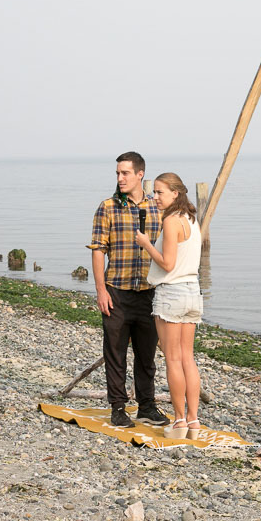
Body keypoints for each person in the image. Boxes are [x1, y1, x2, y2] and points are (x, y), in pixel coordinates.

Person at [88, 152, 169, 428]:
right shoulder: (108, 207)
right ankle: (118, 407)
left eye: (125, 173)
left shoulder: (158, 207)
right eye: (117, 174)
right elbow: (99, 250)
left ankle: (147, 406)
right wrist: (101, 290)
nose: (120, 178)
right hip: (117, 291)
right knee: (115, 352)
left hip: (149, 293)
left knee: (147, 355)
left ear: (140, 175)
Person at [134, 172, 204, 439]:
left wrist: (146, 244)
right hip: (192, 291)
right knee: (188, 357)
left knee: (173, 358)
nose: (155, 197)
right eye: (154, 192)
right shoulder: (191, 219)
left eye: (160, 192)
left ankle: (178, 421)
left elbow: (167, 263)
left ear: (175, 193)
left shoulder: (171, 221)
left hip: (172, 292)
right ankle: (193, 420)